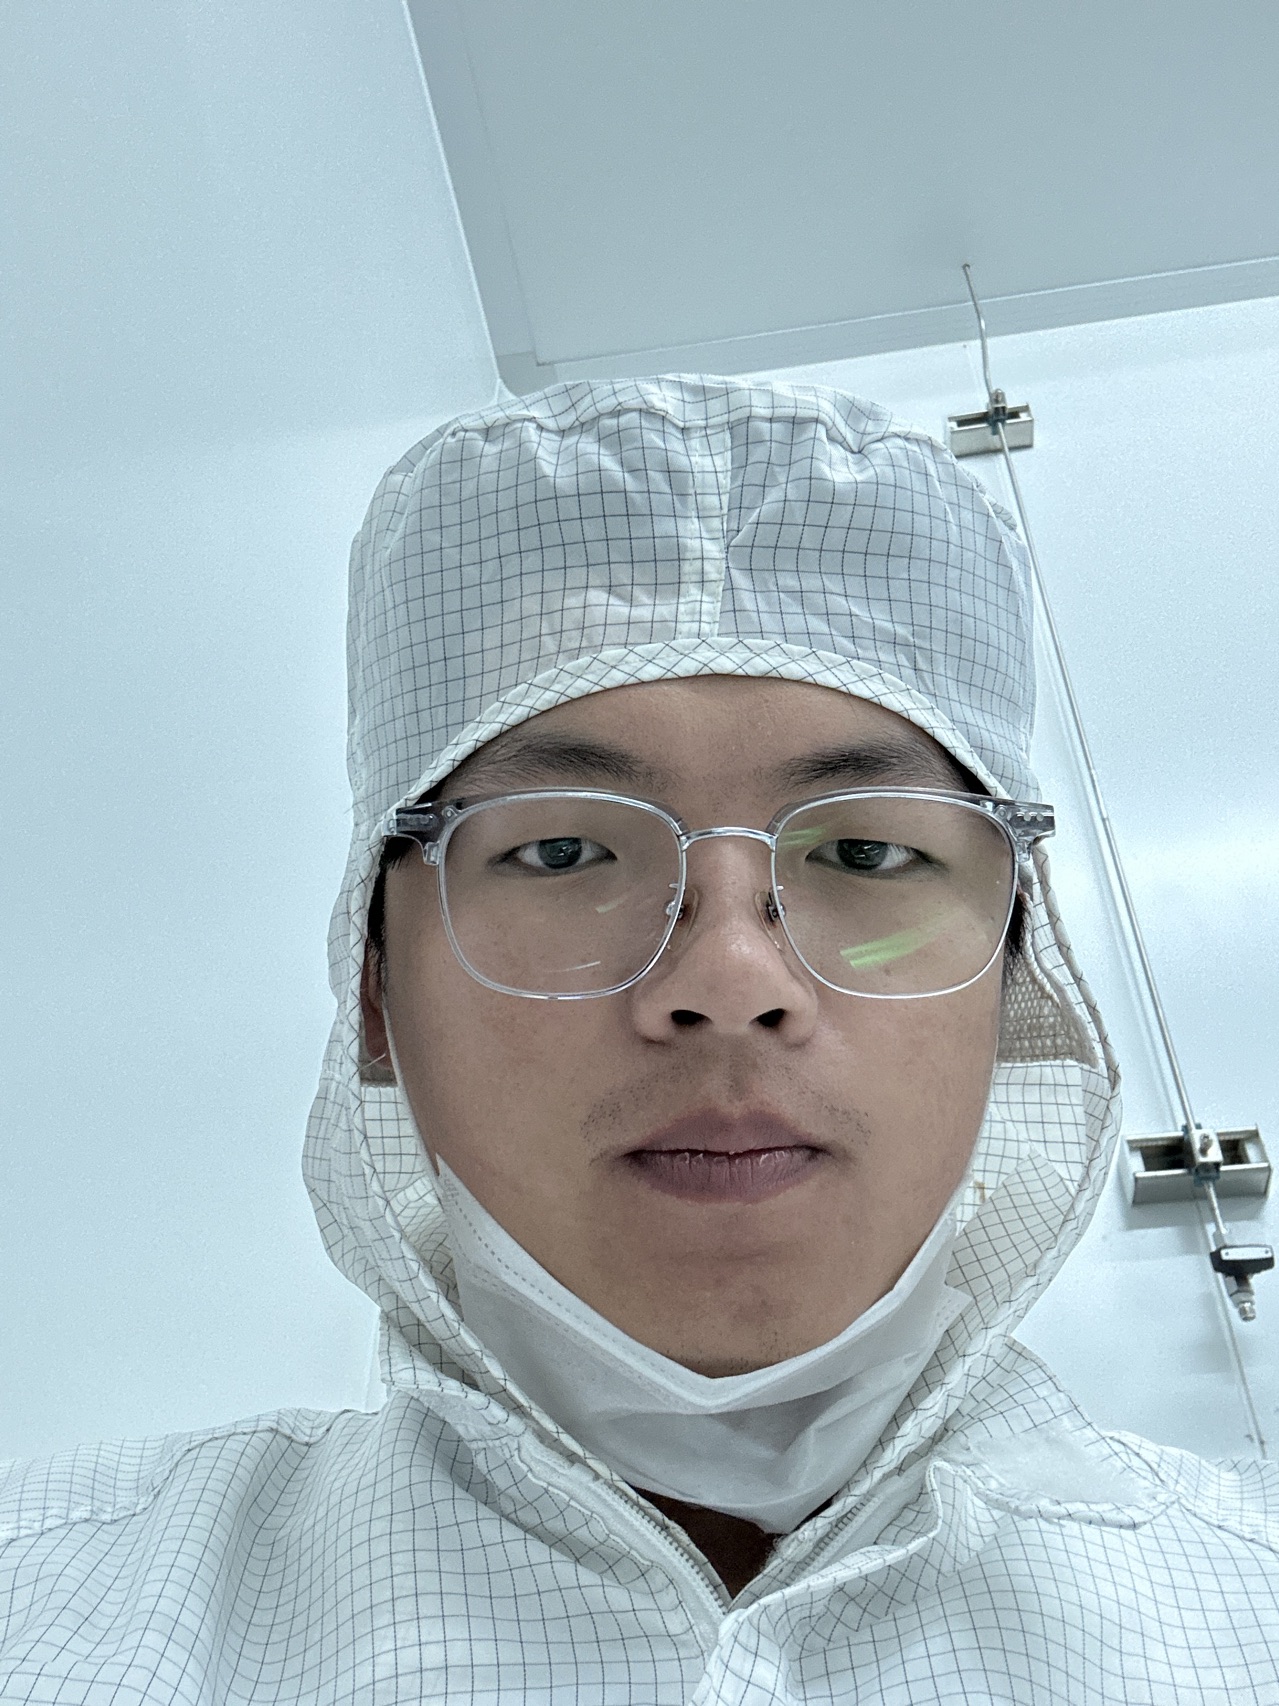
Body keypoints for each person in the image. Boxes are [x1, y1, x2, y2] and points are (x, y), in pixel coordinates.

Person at [2, 377, 1276, 1703]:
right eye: (561, 850)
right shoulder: (46, 1613)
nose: (729, 980)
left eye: (866, 852)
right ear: (374, 994)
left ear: (1014, 982)